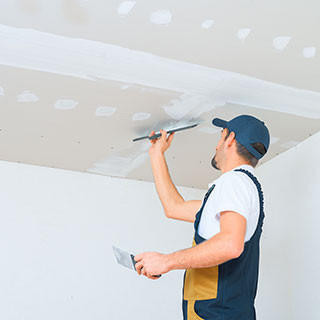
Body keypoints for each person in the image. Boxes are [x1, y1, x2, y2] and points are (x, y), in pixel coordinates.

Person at [134, 114, 270, 319]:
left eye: (221, 137)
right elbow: (174, 207)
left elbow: (230, 245)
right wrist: (156, 154)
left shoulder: (234, 182)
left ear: (230, 139)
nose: (217, 146)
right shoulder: (237, 190)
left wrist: (167, 261)